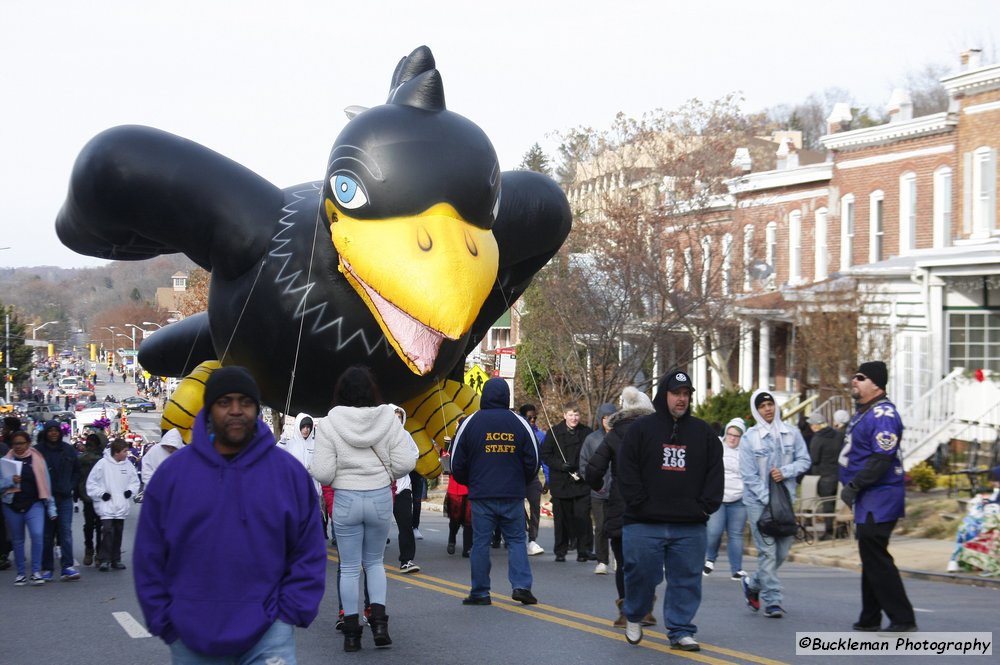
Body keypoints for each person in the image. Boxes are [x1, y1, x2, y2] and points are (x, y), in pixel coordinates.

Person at [134, 366, 327, 663]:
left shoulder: (287, 473)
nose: (236, 410)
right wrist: (164, 620)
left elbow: (309, 550)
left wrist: (290, 612)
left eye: (245, 402)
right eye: (225, 402)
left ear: (256, 409)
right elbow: (149, 554)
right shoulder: (173, 475)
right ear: (209, 409)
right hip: (189, 636)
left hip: (268, 635)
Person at [616, 371, 724, 652]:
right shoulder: (641, 430)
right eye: (676, 393)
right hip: (643, 521)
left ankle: (681, 630)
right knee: (640, 574)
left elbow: (715, 473)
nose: (682, 399)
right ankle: (635, 613)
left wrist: (704, 508)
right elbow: (626, 471)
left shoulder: (703, 433)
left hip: (689, 524)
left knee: (687, 579)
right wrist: (639, 503)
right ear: (664, 395)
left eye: (686, 394)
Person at [311, 366, 417, 652]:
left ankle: (351, 634)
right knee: (374, 563)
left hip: (346, 498)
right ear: (372, 391)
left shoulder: (330, 424)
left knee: (348, 567)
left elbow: (321, 471)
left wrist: (341, 476)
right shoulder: (388, 420)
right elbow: (407, 462)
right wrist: (387, 473)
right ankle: (380, 624)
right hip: (380, 496)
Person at [839, 361, 917, 632]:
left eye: (860, 377)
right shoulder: (865, 412)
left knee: (876, 557)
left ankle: (903, 618)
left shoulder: (883, 414)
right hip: (868, 497)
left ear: (876, 384)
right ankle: (870, 617)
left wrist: (855, 485)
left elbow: (881, 457)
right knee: (870, 555)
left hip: (880, 496)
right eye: (854, 376)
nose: (854, 381)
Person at [450, 377, 539, 606]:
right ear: (506, 397)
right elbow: (534, 460)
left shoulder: (470, 422)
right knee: (517, 540)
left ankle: (480, 592)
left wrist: (470, 481)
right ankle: (521, 586)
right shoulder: (520, 423)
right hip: (512, 493)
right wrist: (521, 480)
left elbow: (455, 462)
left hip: (481, 494)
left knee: (480, 543)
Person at [585, 386, 656, 629]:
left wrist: (596, 485)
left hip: (620, 502)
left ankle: (626, 610)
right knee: (648, 558)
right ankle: (646, 608)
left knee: (624, 560)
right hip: (652, 504)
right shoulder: (658, 433)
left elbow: (594, 468)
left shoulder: (615, 434)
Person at [739, 390, 811, 620]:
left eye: (770, 404)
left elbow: (805, 460)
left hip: (786, 501)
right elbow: (748, 475)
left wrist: (786, 471)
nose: (768, 409)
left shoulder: (791, 433)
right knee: (767, 552)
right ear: (756, 411)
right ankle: (773, 601)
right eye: (762, 406)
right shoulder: (749, 438)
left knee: (781, 552)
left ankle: (753, 584)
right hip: (758, 502)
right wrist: (768, 498)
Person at [1, 430, 56, 585]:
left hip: (34, 503)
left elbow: (47, 483)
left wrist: (51, 508)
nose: (18, 447)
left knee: (37, 535)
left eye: (21, 443)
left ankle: (36, 572)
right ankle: (20, 574)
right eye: (15, 444)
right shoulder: (5, 461)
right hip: (12, 504)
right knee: (18, 540)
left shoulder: (37, 459)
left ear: (28, 443)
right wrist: (9, 481)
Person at [540, 403, 594, 562]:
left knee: (583, 517)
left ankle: (584, 550)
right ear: (564, 416)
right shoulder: (554, 433)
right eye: (570, 415)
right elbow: (546, 454)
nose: (574, 418)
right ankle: (560, 551)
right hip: (561, 482)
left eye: (576, 415)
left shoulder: (586, 432)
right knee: (561, 519)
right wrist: (559, 465)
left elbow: (593, 455)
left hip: (581, 482)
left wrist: (582, 470)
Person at [35, 419, 81, 581]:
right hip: (45, 498)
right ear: (45, 432)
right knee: (47, 534)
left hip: (64, 497)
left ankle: (67, 566)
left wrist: (71, 485)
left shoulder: (68, 450)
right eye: (50, 430)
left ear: (60, 432)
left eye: (56, 430)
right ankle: (47, 568)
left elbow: (77, 471)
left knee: (65, 532)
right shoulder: (37, 451)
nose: (53, 433)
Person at [86, 438, 140, 572]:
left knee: (118, 532)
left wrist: (130, 491)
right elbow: (91, 483)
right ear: (116, 452)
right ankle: (104, 559)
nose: (127, 453)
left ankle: (116, 559)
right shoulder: (102, 464)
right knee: (108, 531)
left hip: (121, 505)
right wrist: (101, 493)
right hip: (107, 505)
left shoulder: (127, 465)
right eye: (124, 451)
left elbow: (134, 481)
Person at [704, 418, 748, 579]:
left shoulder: (746, 452)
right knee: (714, 531)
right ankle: (710, 559)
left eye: (736, 435)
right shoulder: (717, 447)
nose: (732, 438)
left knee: (736, 534)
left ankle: (736, 569)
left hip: (739, 499)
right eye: (730, 434)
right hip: (719, 498)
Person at [580, 403, 616, 575]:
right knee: (601, 526)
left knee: (618, 526)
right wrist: (596, 484)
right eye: (605, 418)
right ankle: (602, 560)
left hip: (618, 492)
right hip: (598, 492)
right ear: (600, 419)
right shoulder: (592, 439)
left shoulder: (623, 437)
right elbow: (584, 465)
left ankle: (617, 557)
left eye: (611, 417)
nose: (608, 421)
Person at [389, 405, 421, 574]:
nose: (397, 421)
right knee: (376, 526)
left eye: (400, 418)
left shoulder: (406, 436)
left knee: (405, 524)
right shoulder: (380, 437)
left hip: (402, 487)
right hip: (383, 487)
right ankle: (370, 559)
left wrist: (404, 464)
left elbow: (415, 454)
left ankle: (407, 560)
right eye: (394, 418)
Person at [807, 411, 845, 540]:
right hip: (839, 474)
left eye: (811, 425)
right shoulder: (838, 435)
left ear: (816, 425)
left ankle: (829, 532)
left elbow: (814, 459)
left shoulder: (818, 438)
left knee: (827, 505)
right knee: (840, 503)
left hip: (824, 476)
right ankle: (842, 530)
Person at [518, 403, 546, 556]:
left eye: (535, 418)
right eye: (530, 418)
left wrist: (548, 479)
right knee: (517, 507)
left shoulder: (540, 435)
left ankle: (533, 539)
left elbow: (545, 459)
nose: (533, 421)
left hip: (533, 478)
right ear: (523, 417)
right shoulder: (517, 432)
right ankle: (520, 532)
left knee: (535, 506)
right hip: (518, 478)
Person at [77, 430, 107, 566]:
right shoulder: (84, 458)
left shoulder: (105, 460)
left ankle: (99, 552)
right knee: (90, 525)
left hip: (101, 496)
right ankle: (90, 550)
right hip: (88, 496)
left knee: (99, 525)